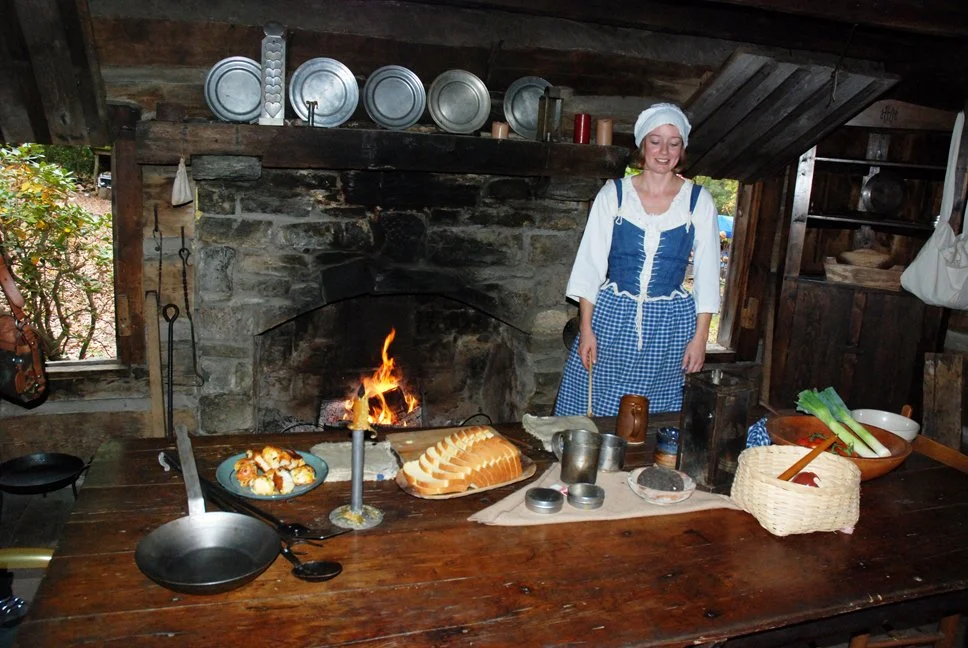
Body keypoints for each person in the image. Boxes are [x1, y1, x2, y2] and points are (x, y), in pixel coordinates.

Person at [554, 103, 720, 416]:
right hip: (612, 318)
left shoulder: (698, 201)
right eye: (655, 141)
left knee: (656, 414)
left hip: (670, 326)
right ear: (643, 145)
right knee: (594, 407)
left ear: (682, 148)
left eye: (673, 143)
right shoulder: (614, 195)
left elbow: (709, 275)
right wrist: (586, 329)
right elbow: (590, 266)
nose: (664, 151)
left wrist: (700, 339)